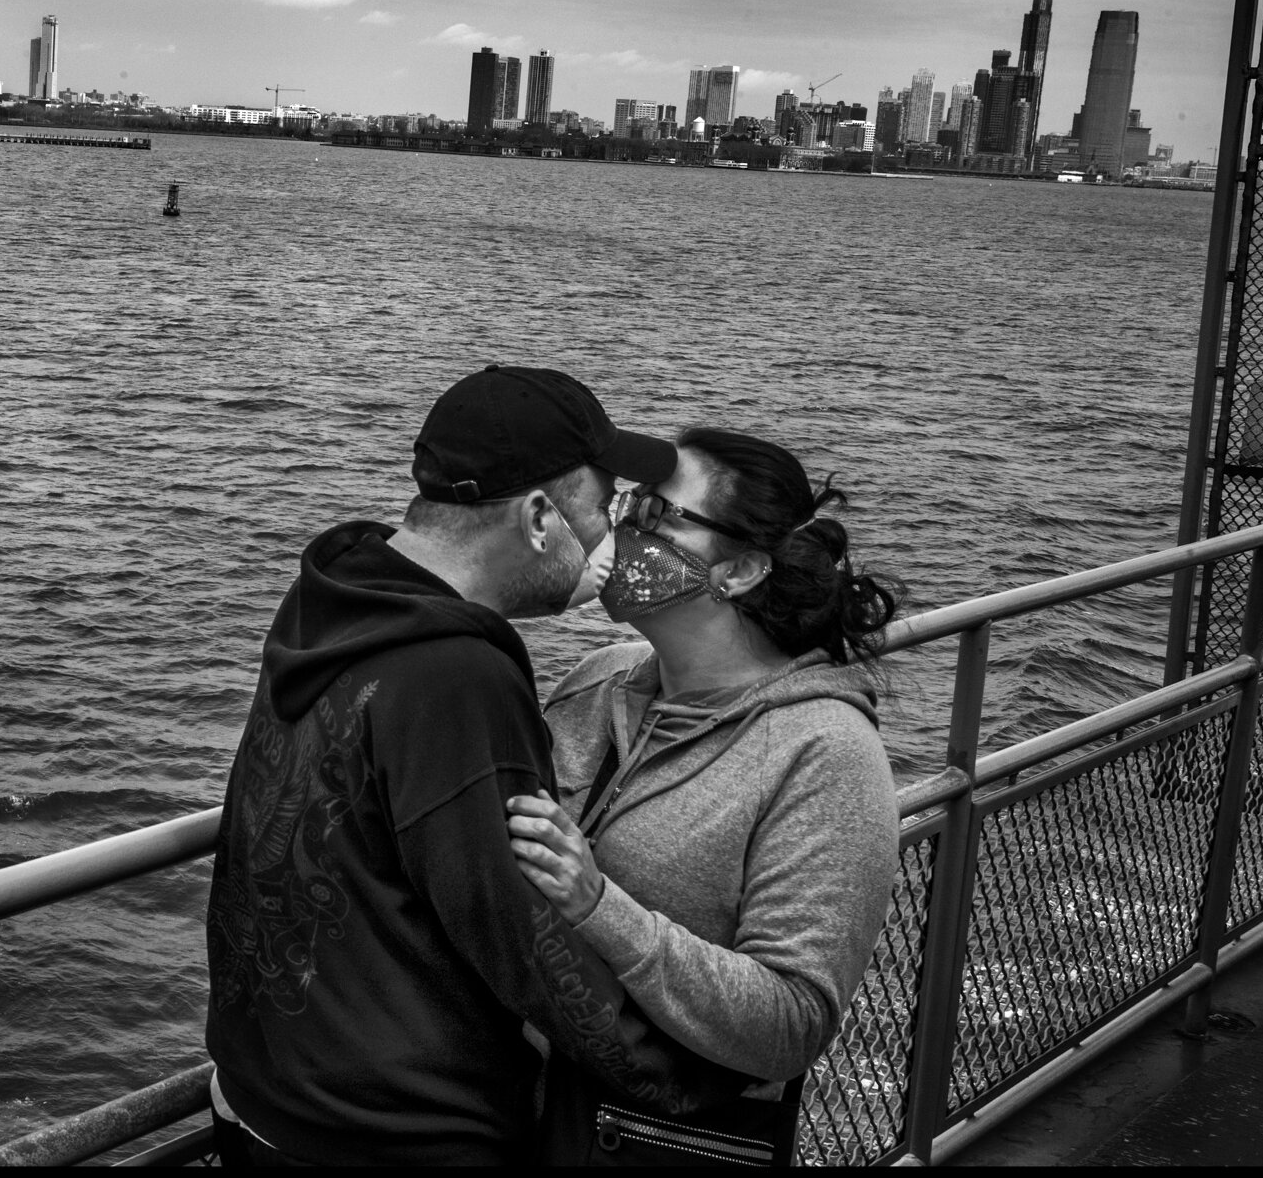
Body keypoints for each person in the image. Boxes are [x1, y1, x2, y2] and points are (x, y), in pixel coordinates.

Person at [204, 366, 751, 1166]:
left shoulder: (333, 598)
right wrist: (691, 1082)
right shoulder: (458, 674)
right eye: (601, 509)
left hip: (261, 1095)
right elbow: (524, 933)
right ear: (538, 517)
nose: (611, 537)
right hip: (393, 1139)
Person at [506, 427, 903, 1166]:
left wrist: (600, 907)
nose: (623, 529)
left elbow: (792, 1021)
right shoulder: (599, 679)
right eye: (627, 506)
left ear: (742, 569)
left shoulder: (826, 753)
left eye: (658, 515)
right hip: (524, 1118)